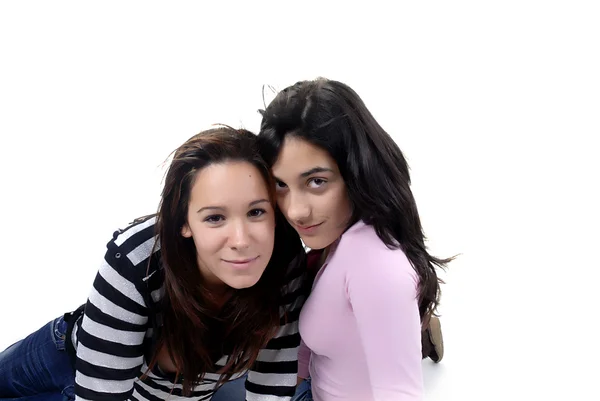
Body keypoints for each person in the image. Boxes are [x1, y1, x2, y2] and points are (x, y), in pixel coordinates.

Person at [0, 126, 308, 401]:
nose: (241, 240)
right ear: (183, 222)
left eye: (256, 212)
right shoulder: (136, 258)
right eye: (215, 217)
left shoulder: (283, 258)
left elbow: (272, 381)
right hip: (69, 358)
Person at [257, 78, 454, 401]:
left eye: (317, 181)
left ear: (357, 171)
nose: (295, 211)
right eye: (281, 185)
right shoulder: (339, 234)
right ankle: (410, 332)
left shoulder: (376, 267)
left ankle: (406, 330)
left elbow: (399, 394)